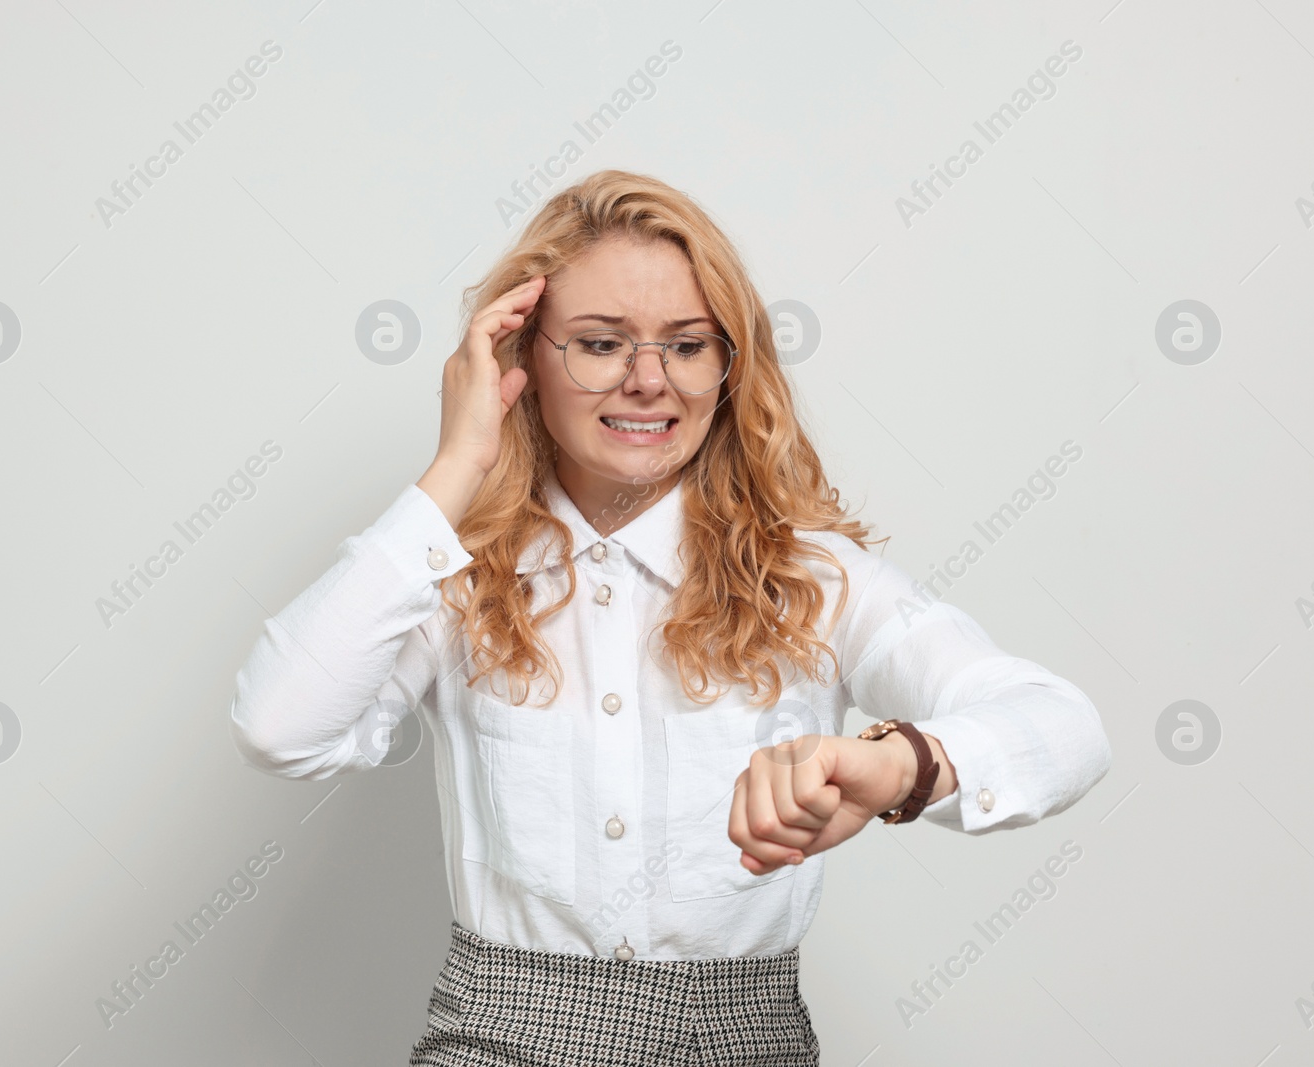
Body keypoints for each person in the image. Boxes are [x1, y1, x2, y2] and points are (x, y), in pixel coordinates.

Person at [228, 169, 1112, 1065]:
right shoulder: (453, 578)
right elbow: (280, 726)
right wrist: (458, 464)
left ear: (729, 368)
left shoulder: (808, 577)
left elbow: (1063, 725)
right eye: (601, 343)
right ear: (523, 357)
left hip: (746, 1042)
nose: (650, 382)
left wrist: (895, 764)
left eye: (688, 346)